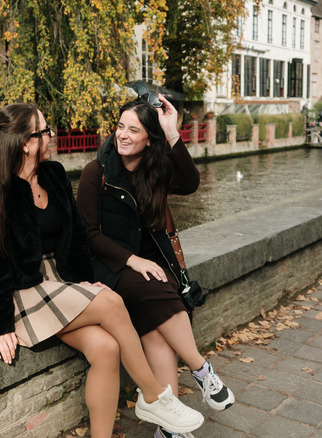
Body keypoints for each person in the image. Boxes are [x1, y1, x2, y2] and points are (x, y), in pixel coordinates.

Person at [0, 103, 204, 437]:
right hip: (22, 289)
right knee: (113, 303)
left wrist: (85, 282)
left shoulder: (54, 174)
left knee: (106, 349)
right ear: (25, 142)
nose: (51, 135)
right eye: (44, 131)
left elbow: (77, 236)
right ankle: (153, 396)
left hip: (61, 282)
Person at [77, 96, 235, 438]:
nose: (123, 135)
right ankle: (201, 369)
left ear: (149, 138)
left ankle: (169, 429)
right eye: (120, 127)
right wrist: (131, 259)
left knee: (156, 335)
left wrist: (173, 134)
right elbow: (87, 235)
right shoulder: (97, 173)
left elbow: (190, 183)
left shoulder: (155, 168)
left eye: (134, 130)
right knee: (162, 292)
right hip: (110, 266)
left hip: (150, 265)